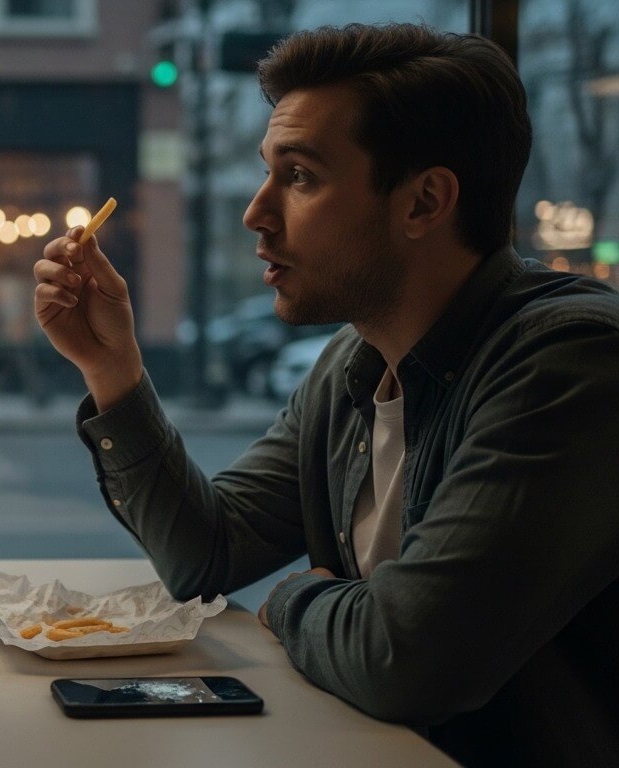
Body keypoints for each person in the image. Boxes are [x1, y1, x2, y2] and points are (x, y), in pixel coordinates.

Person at [35, 23, 618, 766]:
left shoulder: (569, 360)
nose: (257, 211)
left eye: (301, 176)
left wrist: (294, 601)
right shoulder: (357, 358)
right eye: (267, 172)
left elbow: (405, 659)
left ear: (423, 202)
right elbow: (203, 554)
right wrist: (112, 371)